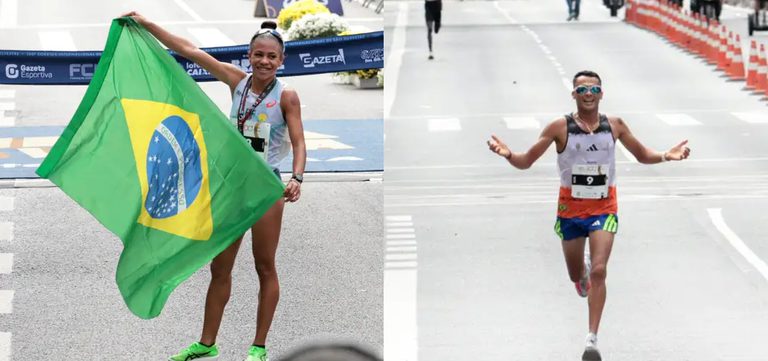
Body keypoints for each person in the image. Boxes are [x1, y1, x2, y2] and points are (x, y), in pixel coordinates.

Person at [120, 11, 307, 361]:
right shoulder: (237, 81)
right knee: (219, 268)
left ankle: (259, 346)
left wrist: (297, 176)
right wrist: (146, 23)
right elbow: (190, 50)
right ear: (248, 56)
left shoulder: (287, 96)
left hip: (267, 189)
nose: (264, 61)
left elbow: (298, 141)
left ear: (281, 61)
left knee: (264, 266)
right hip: (233, 188)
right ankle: (207, 343)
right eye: (258, 54)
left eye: (271, 56)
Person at [487, 70, 690, 361]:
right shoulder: (560, 127)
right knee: (578, 275)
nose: (589, 94)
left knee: (599, 270)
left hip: (603, 209)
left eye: (594, 89)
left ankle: (591, 340)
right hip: (570, 211)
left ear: (601, 94)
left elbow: (641, 154)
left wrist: (665, 156)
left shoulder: (615, 125)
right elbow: (526, 161)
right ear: (574, 95)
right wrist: (508, 154)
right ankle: (580, 278)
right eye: (582, 89)